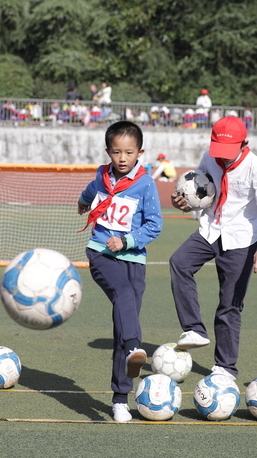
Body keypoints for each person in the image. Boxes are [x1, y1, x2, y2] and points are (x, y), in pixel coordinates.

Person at [169, 116, 257, 382]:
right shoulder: (209, 157)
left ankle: (226, 367)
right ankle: (195, 329)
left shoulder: (256, 167)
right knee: (179, 262)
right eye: (219, 149)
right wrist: (184, 204)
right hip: (210, 230)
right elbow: (201, 194)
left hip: (241, 240)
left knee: (229, 305)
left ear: (245, 143)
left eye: (229, 151)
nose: (223, 157)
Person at [77, 121, 162, 423]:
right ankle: (136, 347)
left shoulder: (146, 184)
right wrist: (83, 202)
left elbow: (154, 225)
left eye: (128, 152)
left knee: (121, 326)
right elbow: (90, 191)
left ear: (140, 152)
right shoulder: (102, 175)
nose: (122, 158)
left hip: (133, 259)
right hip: (101, 253)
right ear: (108, 152)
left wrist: (127, 240)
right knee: (123, 296)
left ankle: (120, 399)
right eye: (116, 152)